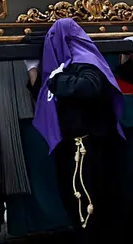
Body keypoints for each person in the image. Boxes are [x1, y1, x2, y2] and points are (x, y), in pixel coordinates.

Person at [30, 18, 126, 244]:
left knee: (89, 208)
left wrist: (57, 79)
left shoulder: (85, 61)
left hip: (86, 148)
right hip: (72, 148)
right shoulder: (67, 65)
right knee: (76, 205)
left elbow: (90, 86)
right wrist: (35, 72)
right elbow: (49, 99)